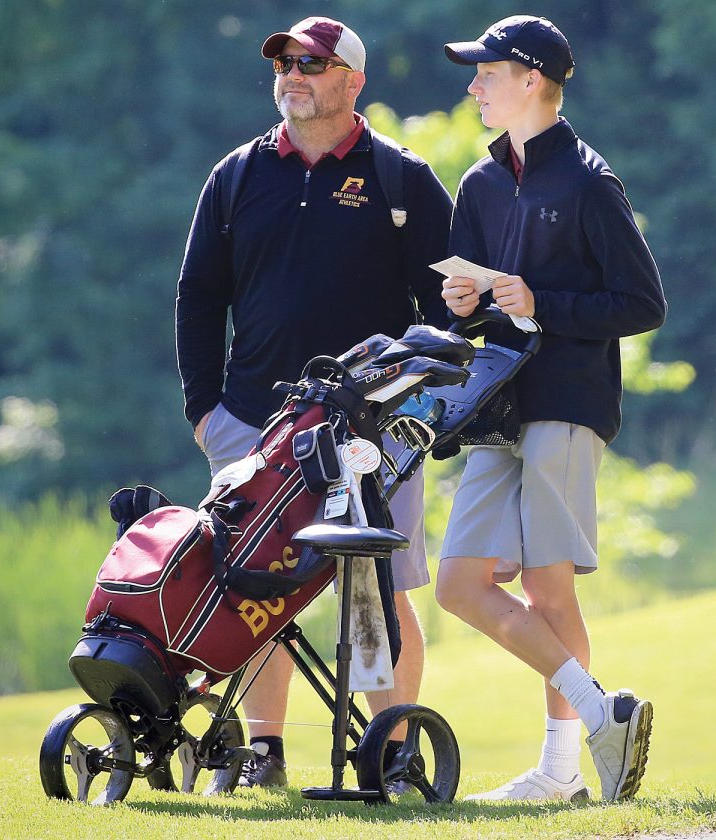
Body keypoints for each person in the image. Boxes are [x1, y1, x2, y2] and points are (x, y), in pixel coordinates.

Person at [175, 16, 454, 788]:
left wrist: (424, 410)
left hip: (372, 428)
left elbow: (446, 308)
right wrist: (205, 412)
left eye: (312, 64)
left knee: (379, 586)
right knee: (253, 589)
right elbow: (199, 296)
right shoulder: (236, 174)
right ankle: (263, 752)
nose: (292, 75)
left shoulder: (401, 177)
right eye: (284, 64)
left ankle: (392, 754)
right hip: (251, 424)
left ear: (353, 80)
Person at [435, 15, 667, 802]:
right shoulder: (479, 183)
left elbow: (641, 303)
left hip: (568, 401)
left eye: (487, 72)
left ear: (532, 79)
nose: (474, 85)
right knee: (459, 584)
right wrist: (461, 304)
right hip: (494, 404)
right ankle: (604, 714)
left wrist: (543, 303)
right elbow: (467, 314)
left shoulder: (591, 183)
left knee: (547, 587)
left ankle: (562, 771)